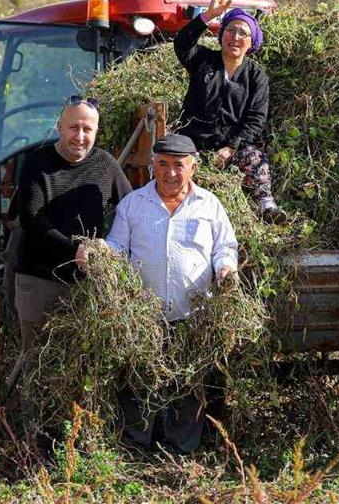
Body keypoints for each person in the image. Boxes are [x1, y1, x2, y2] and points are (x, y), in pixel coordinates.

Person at [95, 133, 238, 453]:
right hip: (144, 314)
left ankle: (180, 451)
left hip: (193, 314)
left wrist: (226, 267)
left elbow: (224, 248)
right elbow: (119, 247)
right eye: (163, 164)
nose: (171, 173)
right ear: (151, 167)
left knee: (187, 384)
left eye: (178, 165)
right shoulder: (134, 204)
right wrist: (101, 252)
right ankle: (135, 447)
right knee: (138, 381)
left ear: (193, 167)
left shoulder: (209, 205)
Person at [12, 96, 131, 353]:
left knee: (82, 361)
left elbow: (131, 209)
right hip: (40, 281)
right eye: (73, 128)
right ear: (59, 127)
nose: (79, 136)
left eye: (87, 129)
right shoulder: (37, 163)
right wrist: (74, 250)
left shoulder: (105, 164)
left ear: (96, 132)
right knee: (39, 359)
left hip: (86, 284)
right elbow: (31, 220)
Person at [174, 0, 285, 222]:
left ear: (252, 42)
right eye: (230, 30)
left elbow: (256, 119)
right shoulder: (202, 60)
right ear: (221, 34)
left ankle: (266, 206)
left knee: (255, 157)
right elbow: (182, 44)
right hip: (193, 143)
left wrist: (232, 147)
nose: (235, 37)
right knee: (174, 157)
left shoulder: (256, 76)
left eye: (242, 33)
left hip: (230, 148)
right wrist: (209, 15)